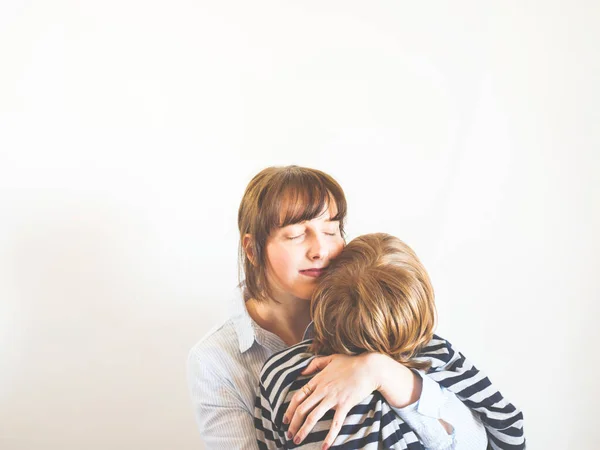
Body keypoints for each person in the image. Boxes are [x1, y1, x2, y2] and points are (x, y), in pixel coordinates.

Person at [187, 166, 514, 450]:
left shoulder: (374, 317)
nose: (321, 249)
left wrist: (380, 371)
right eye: (297, 234)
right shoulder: (216, 360)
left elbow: (480, 439)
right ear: (252, 249)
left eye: (331, 230)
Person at [255, 233, 525, 449]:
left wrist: (381, 371)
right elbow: (508, 431)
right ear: (421, 304)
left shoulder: (281, 373)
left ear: (324, 298)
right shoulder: (433, 354)